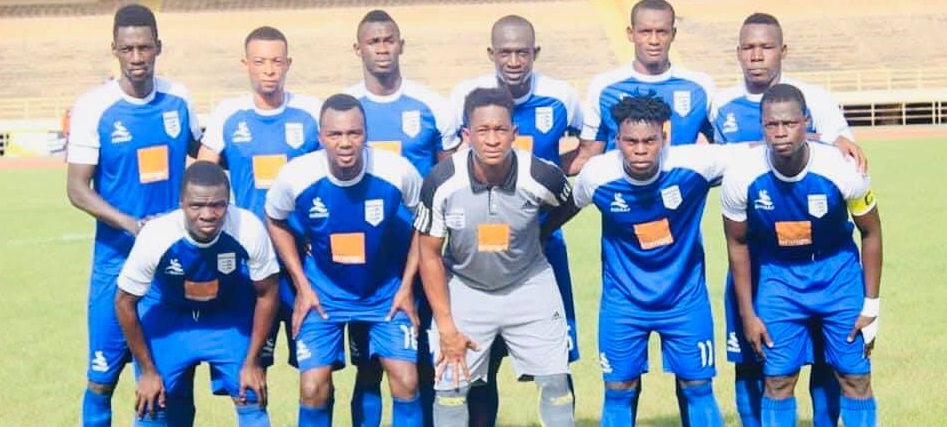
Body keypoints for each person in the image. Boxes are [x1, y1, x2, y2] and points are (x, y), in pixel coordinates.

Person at [710, 14, 865, 427]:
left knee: (826, 357)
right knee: (752, 357)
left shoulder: (816, 99)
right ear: (738, 52)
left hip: (816, 257)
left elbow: (846, 155)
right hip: (755, 257)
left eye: (765, 47)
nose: (756, 55)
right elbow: (709, 161)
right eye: (748, 47)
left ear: (783, 50)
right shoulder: (720, 104)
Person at [544, 92, 734, 426]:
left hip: (685, 300)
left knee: (698, 387)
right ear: (617, 140)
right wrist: (530, 238)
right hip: (623, 303)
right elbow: (567, 209)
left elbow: (759, 153)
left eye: (650, 140)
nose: (641, 149)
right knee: (618, 390)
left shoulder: (696, 164)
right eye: (631, 142)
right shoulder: (598, 175)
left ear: (665, 137)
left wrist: (823, 144)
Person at [65, 4, 201, 426]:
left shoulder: (179, 99)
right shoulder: (94, 107)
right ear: (115, 49)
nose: (137, 57)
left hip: (171, 264)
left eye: (144, 48)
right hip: (116, 260)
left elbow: (208, 154)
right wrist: (132, 226)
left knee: (171, 379)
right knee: (101, 379)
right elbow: (77, 189)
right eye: (128, 49)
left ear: (158, 47)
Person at [447, 14, 582, 427]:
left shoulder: (561, 96)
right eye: (505, 52)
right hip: (476, 253)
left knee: (555, 364)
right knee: (478, 367)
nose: (513, 61)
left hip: (540, 252)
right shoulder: (464, 95)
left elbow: (591, 147)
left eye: (522, 52)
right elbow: (448, 157)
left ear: (535, 53)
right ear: (491, 53)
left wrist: (541, 197)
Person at [415, 87, 575, 427]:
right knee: (451, 387)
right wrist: (446, 324)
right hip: (465, 288)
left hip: (529, 283)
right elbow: (428, 254)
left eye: (500, 130)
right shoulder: (441, 182)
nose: (492, 140)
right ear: (466, 135)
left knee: (556, 383)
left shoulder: (541, 175)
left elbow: (568, 203)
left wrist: (541, 232)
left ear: (514, 133)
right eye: (483, 131)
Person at [264, 93, 424, 427]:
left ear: (366, 134)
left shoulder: (397, 171)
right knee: (313, 388)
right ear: (320, 137)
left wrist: (407, 286)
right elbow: (275, 219)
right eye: (335, 134)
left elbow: (426, 223)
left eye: (354, 133)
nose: (346, 143)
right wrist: (302, 285)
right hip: (323, 293)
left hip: (384, 292)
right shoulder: (297, 175)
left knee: (407, 381)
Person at [343, 10, 459, 427]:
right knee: (368, 366)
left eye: (388, 40)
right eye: (373, 41)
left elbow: (449, 175)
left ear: (401, 45)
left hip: (422, 251)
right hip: (367, 260)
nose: (382, 48)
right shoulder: (346, 108)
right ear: (358, 49)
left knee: (421, 359)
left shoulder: (432, 106)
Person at [197, 25, 322, 382]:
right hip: (249, 260)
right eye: (260, 62)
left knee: (316, 373)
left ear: (288, 64)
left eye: (276, 62)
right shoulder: (228, 114)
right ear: (245, 64)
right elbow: (201, 176)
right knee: (249, 370)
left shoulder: (310, 112)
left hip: (302, 259)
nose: (269, 70)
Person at [114, 161, 279, 426]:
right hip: (170, 320)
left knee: (251, 395)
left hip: (226, 318)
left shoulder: (248, 227)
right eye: (197, 206)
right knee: (152, 402)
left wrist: (252, 362)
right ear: (181, 203)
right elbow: (124, 302)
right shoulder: (156, 236)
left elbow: (268, 292)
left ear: (228, 202)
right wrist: (147, 371)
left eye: (218, 205)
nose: (207, 214)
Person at [565, 0, 714, 175]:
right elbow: (587, 155)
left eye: (662, 32)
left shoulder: (700, 86)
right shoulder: (604, 87)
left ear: (673, 34)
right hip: (622, 190)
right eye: (645, 32)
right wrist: (540, 170)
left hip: (681, 190)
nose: (654, 40)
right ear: (631, 34)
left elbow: (723, 149)